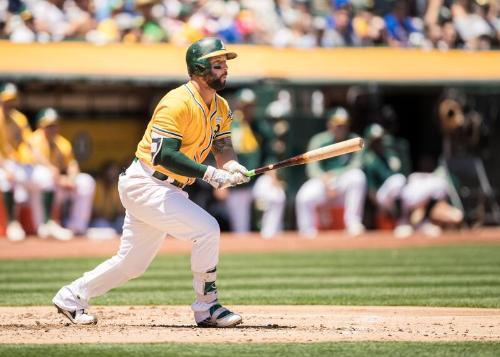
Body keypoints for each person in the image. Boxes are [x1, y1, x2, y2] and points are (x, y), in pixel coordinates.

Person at [52, 37, 249, 327]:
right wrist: (210, 174)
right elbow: (163, 154)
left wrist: (231, 166)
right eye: (217, 65)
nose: (224, 70)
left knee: (132, 264)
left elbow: (222, 147)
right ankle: (207, 307)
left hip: (169, 189)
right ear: (198, 68)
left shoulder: (220, 106)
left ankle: (71, 296)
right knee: (207, 229)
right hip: (146, 182)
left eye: (224, 65)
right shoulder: (177, 102)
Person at [295, 107, 367, 238]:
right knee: (304, 196)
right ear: (329, 124)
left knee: (358, 177)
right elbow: (312, 168)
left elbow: (357, 165)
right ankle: (307, 232)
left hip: (343, 182)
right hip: (323, 181)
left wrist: (334, 174)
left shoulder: (354, 140)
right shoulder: (319, 140)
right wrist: (324, 178)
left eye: (343, 125)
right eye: (337, 125)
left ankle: (353, 223)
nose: (341, 128)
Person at [0, 83, 56, 241]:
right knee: (6, 179)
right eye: (6, 100)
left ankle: (46, 224)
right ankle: (12, 224)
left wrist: (48, 166)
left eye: (12, 100)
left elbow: (31, 146)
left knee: (46, 176)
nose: (9, 103)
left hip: (16, 165)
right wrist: (5, 168)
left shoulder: (20, 119)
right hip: (3, 165)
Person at [29, 108, 95, 239]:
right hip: (33, 189)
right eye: (48, 126)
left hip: (55, 185)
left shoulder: (62, 143)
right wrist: (60, 179)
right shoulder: (34, 139)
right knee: (45, 175)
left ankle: (76, 227)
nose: (52, 129)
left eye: (54, 125)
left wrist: (71, 178)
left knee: (86, 181)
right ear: (40, 126)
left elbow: (72, 164)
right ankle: (45, 225)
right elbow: (40, 162)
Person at [224, 88, 274, 234]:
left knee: (276, 195)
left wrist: (273, 173)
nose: (248, 109)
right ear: (238, 105)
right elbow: (219, 153)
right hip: (236, 181)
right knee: (241, 227)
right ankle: (245, 247)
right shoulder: (229, 125)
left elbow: (269, 152)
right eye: (244, 105)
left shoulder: (260, 126)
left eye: (251, 105)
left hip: (257, 177)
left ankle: (271, 238)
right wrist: (220, 180)